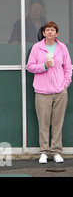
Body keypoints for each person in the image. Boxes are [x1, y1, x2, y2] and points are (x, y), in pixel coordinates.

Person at [26, 21, 71, 164]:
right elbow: (30, 67)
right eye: (47, 30)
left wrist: (64, 85)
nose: (50, 32)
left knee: (58, 123)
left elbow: (68, 68)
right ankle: (44, 152)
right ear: (44, 33)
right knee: (43, 123)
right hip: (42, 92)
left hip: (59, 92)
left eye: (53, 30)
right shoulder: (36, 48)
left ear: (56, 33)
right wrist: (44, 66)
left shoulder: (62, 47)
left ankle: (56, 151)